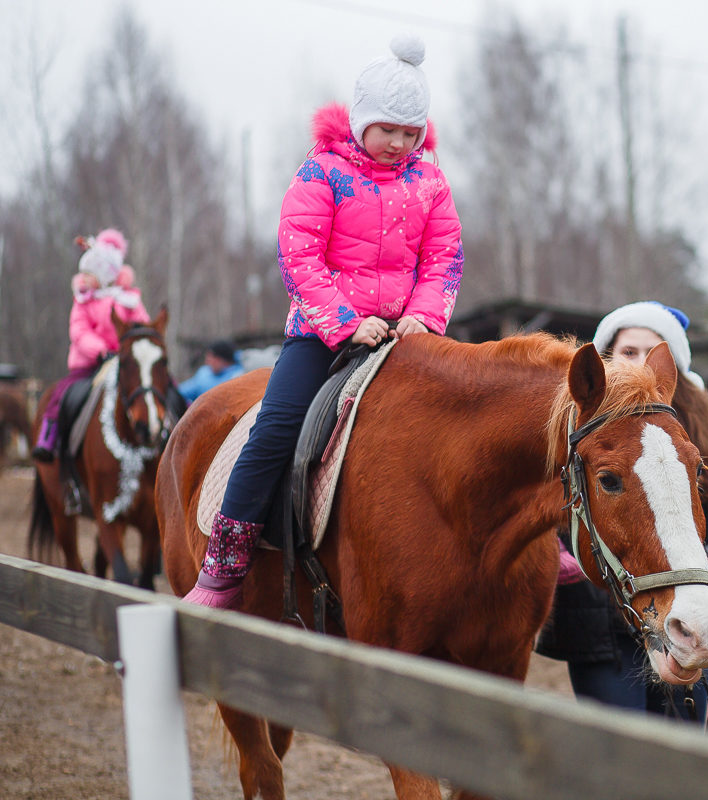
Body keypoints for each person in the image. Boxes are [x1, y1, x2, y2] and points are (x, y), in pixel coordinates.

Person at [183, 33, 464, 608]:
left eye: (411, 133)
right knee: (278, 426)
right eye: (388, 129)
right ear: (362, 121)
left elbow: (445, 259)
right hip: (323, 333)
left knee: (470, 415)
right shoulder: (322, 173)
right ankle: (226, 560)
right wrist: (344, 322)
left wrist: (423, 317)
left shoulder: (430, 182)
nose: (398, 143)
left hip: (409, 334)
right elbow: (299, 257)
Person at [535, 300, 708, 726]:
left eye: (651, 354)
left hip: (678, 610)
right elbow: (544, 504)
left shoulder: (701, 447)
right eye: (628, 352)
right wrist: (553, 556)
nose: (639, 365)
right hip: (599, 630)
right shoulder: (574, 430)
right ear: (605, 358)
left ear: (673, 371)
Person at [32, 228, 151, 462]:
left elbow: (143, 325)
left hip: (126, 362)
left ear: (106, 273)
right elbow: (79, 331)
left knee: (158, 384)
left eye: (90, 273)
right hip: (90, 364)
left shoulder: (128, 300)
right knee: (60, 394)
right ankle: (49, 436)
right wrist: (101, 352)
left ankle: (180, 416)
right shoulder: (83, 300)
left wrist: (134, 348)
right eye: (83, 272)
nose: (83, 278)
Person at [177, 339, 245, 402]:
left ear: (221, 360)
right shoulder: (204, 373)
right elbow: (183, 392)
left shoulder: (238, 376)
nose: (207, 363)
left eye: (210, 359)